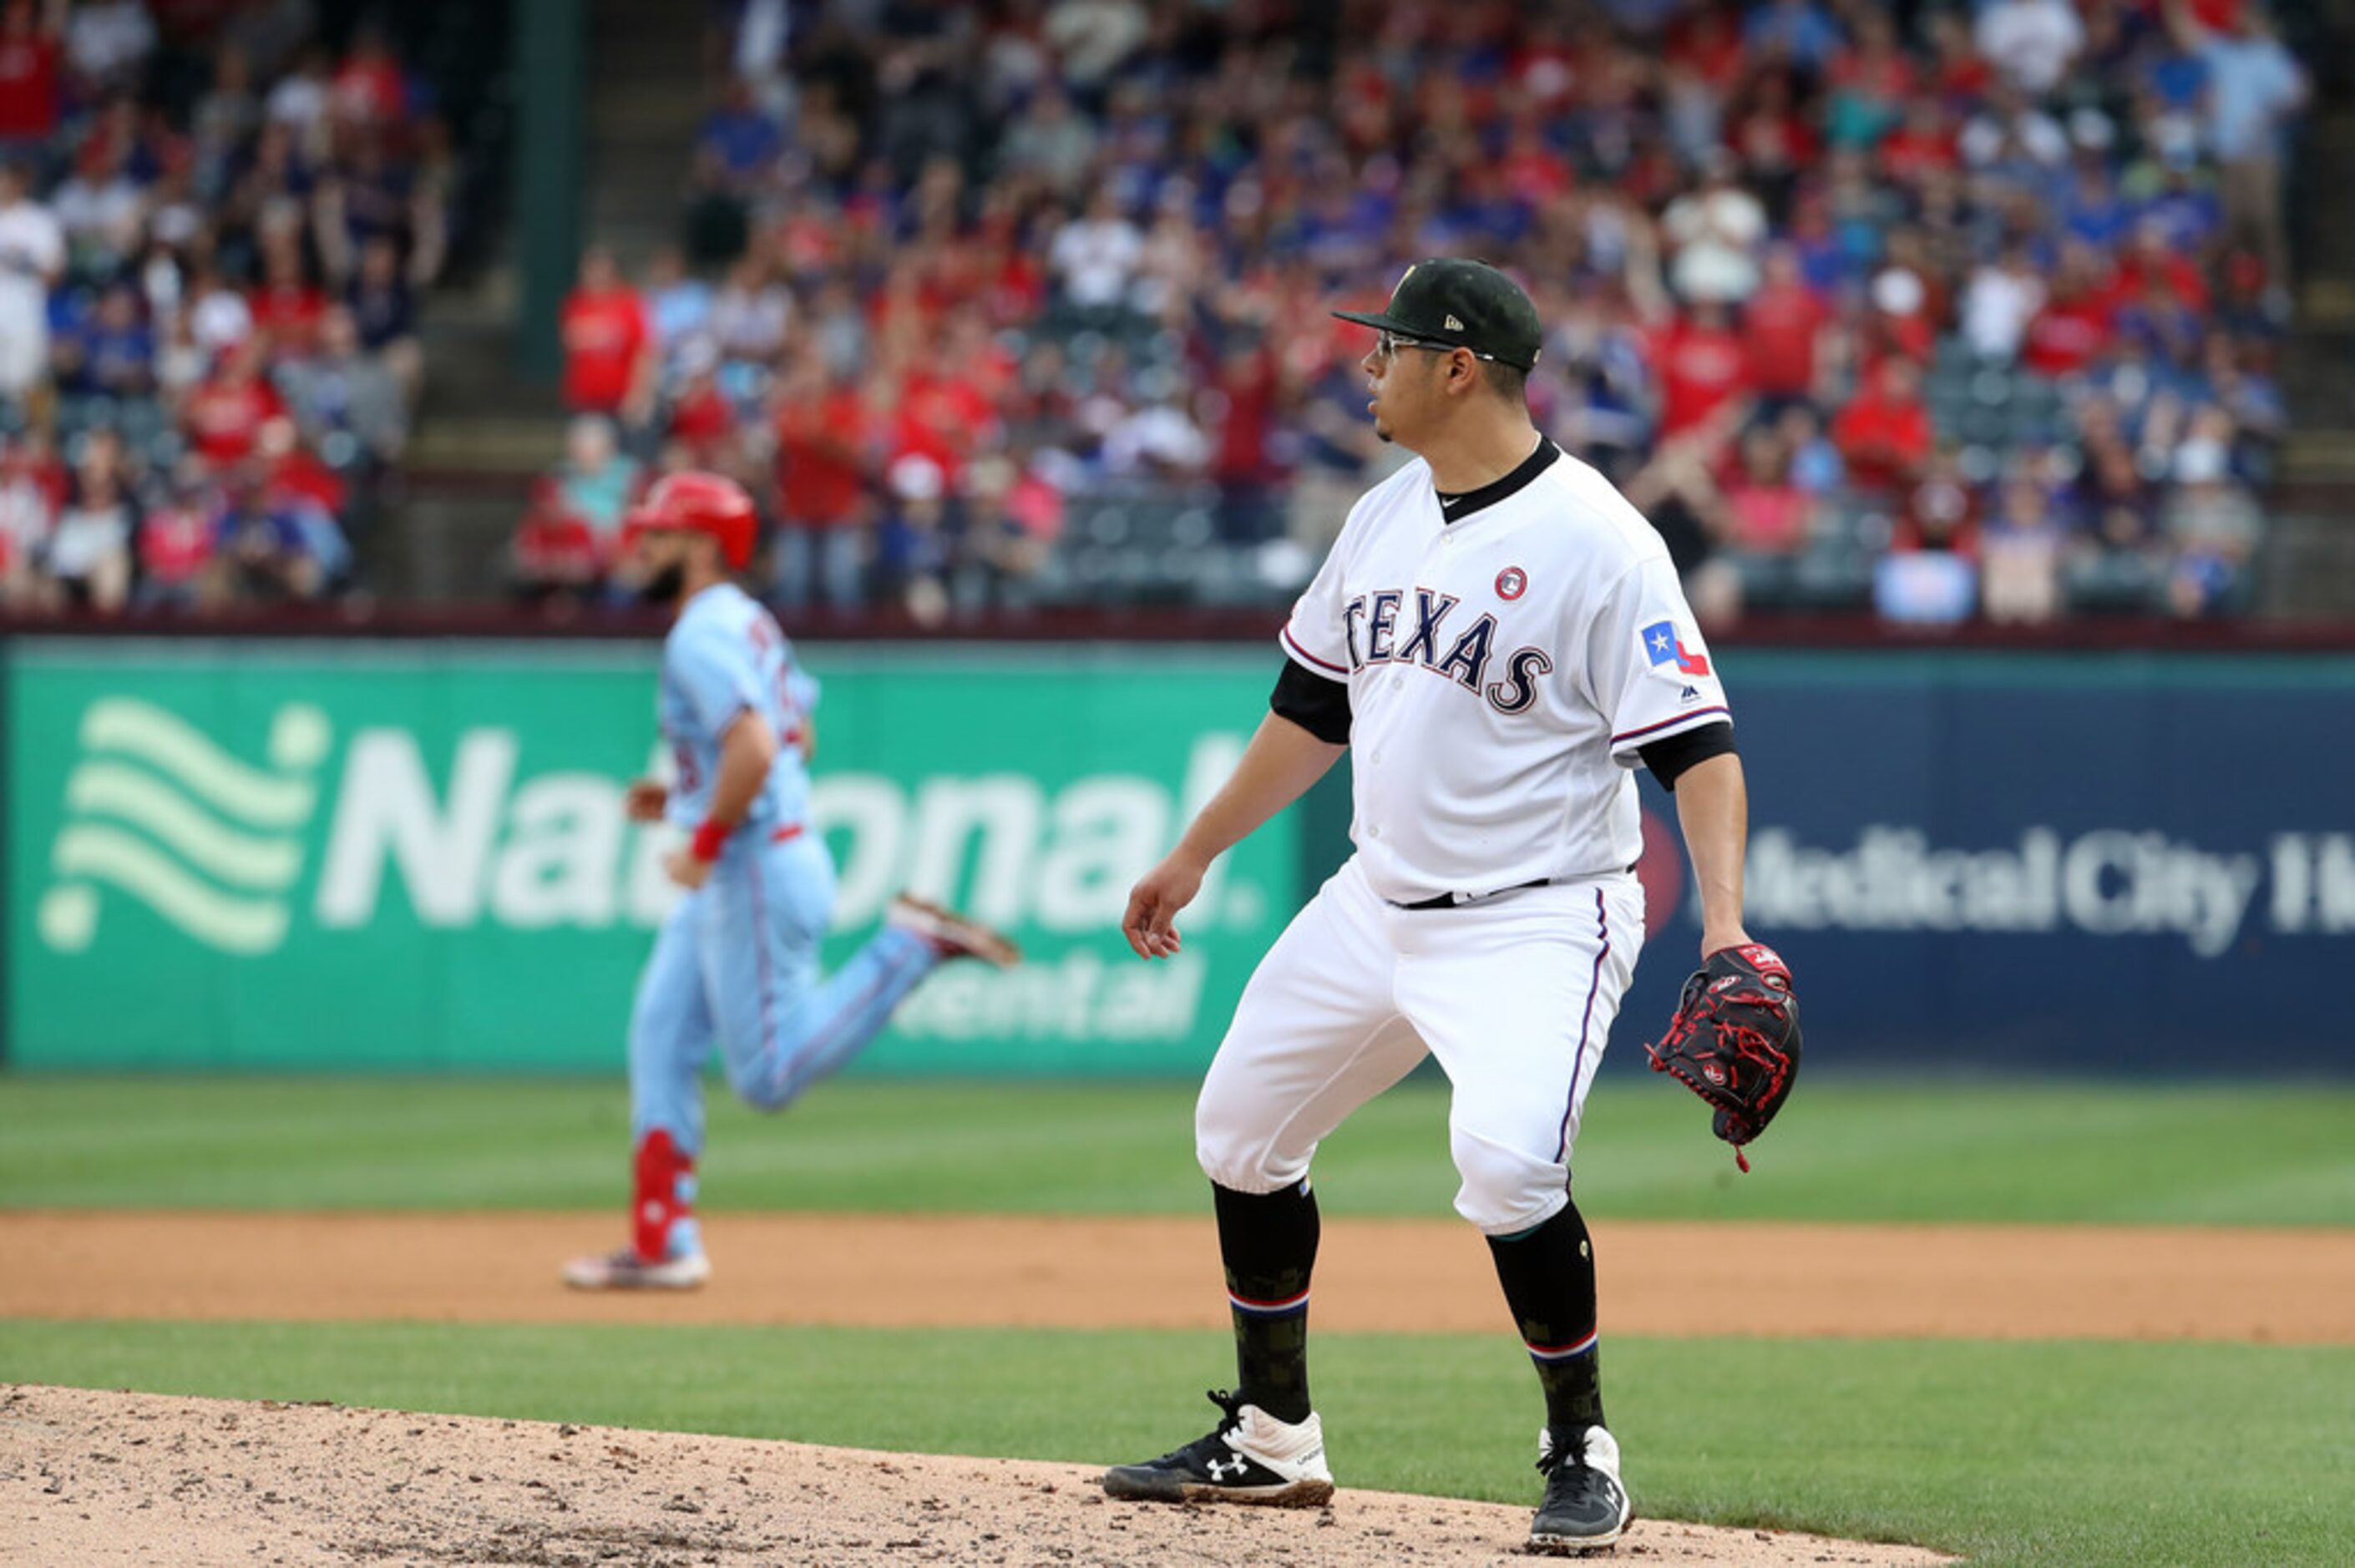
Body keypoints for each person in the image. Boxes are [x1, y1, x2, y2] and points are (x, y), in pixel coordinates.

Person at [1102, 260, 1765, 1555]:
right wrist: (1195, 853)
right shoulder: (1385, 514)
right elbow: (1312, 713)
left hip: (1537, 915)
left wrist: (1727, 928)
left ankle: (1583, 1448)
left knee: (1508, 1164)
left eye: (1388, 347)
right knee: (1240, 1129)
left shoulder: (1601, 540)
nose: (1368, 366)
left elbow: (1702, 747)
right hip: (1377, 900)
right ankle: (1274, 1437)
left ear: (1458, 366)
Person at [561, 471, 1020, 1291]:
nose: (643, 546)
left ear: (702, 545)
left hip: (751, 869)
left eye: (659, 534)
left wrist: (700, 836)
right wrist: (685, 794)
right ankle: (664, 1241)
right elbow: (796, 731)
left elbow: (760, 749)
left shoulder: (701, 633)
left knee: (767, 1079)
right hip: (756, 857)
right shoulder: (745, 617)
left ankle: (908, 948)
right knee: (661, 1035)